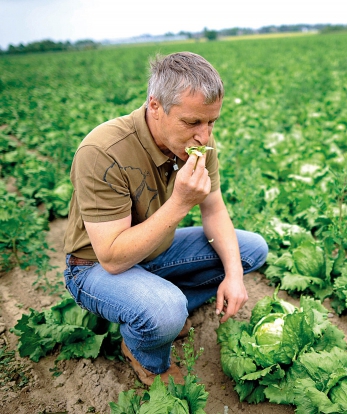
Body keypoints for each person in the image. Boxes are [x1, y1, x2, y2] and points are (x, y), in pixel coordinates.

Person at [62, 52, 268, 386]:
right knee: (164, 311)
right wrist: (180, 203)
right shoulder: (103, 151)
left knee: (250, 251)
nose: (204, 136)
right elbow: (112, 259)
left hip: (155, 251)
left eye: (211, 122)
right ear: (155, 107)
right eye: (192, 122)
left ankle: (158, 307)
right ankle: (145, 353)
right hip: (94, 267)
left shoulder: (197, 140)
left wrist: (234, 275)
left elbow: (214, 209)